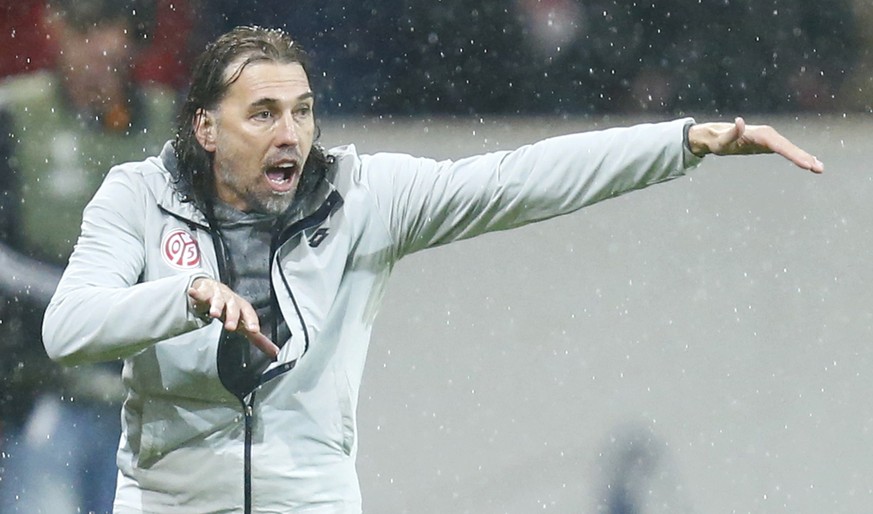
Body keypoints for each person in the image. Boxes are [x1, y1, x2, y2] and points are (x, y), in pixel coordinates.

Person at [40, 25, 823, 514]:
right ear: (206, 128)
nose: (293, 132)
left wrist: (679, 143)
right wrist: (187, 297)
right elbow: (68, 329)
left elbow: (517, 179)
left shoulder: (363, 195)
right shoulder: (138, 195)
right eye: (264, 113)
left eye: (303, 109)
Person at [0, 0, 177, 512]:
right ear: (54, 29)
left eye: (113, 26)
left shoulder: (173, 121)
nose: (103, 45)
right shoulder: (15, 113)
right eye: (86, 27)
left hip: (152, 396)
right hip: (41, 387)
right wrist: (86, 300)